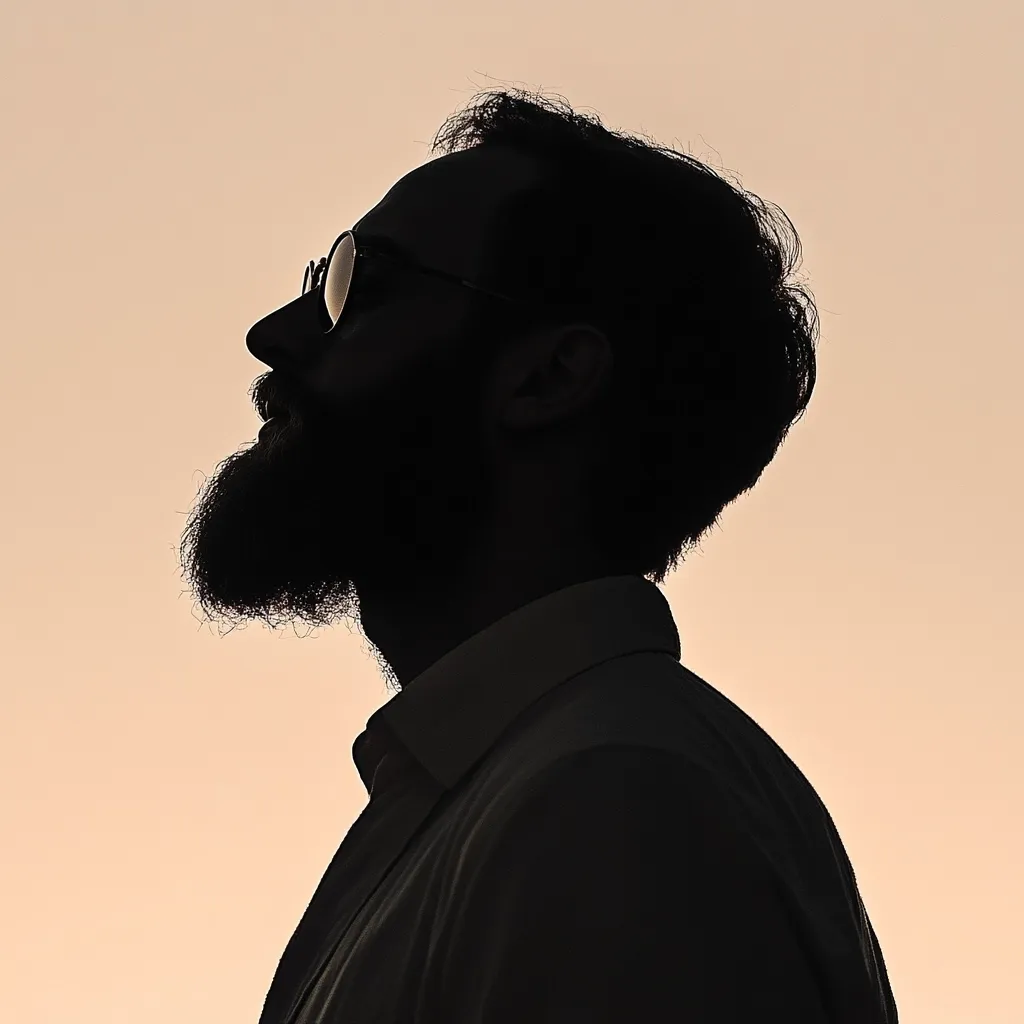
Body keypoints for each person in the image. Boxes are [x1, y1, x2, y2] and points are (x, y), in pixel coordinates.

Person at [179, 88, 898, 1023]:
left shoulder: (611, 799)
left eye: (360, 283)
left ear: (548, 377)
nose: (276, 336)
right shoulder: (522, 787)